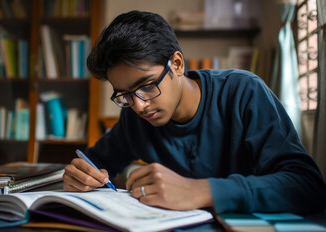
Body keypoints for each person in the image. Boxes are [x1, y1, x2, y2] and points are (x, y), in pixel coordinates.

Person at [63, 10, 326, 214]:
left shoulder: (244, 92)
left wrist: (203, 191)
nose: (139, 105)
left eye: (146, 86)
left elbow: (308, 186)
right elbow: (95, 164)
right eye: (125, 95)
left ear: (176, 64)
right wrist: (81, 175)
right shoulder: (134, 115)